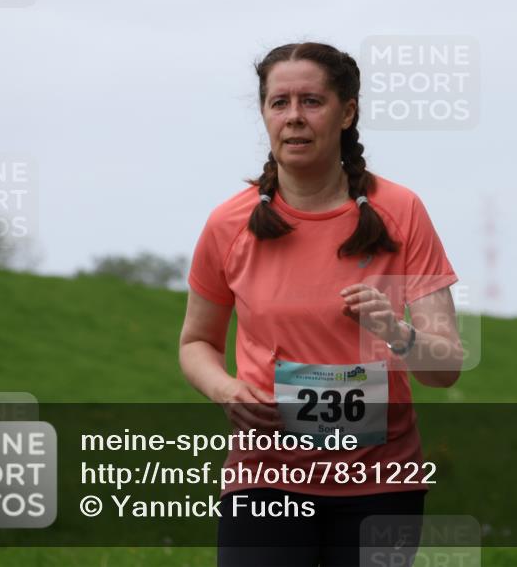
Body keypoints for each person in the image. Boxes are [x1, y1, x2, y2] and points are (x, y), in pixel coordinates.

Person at [178, 42, 463, 567]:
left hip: (380, 482)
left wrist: (397, 332)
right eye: (279, 103)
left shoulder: (401, 212)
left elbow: (446, 368)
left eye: (311, 101)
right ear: (264, 114)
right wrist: (225, 391)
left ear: (347, 111)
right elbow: (196, 341)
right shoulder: (228, 224)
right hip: (264, 476)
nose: (294, 118)